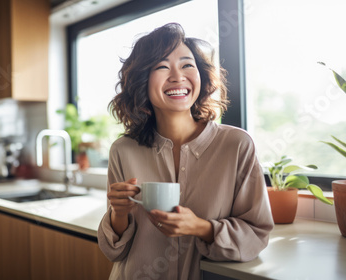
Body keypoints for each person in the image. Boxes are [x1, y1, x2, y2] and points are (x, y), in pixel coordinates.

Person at [97, 23, 274, 279]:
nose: (177, 76)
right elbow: (114, 252)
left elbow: (256, 235)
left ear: (201, 76)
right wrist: (118, 213)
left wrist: (202, 228)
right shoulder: (123, 150)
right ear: (142, 81)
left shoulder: (237, 145)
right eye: (161, 66)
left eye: (187, 64)